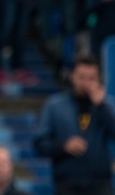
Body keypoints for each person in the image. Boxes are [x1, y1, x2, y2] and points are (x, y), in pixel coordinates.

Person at [33, 55, 115, 195]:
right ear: (72, 76)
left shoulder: (108, 105)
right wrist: (63, 146)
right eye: (81, 77)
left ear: (99, 79)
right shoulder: (55, 106)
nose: (86, 83)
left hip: (100, 184)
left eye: (92, 78)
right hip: (67, 183)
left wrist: (101, 107)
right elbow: (39, 144)